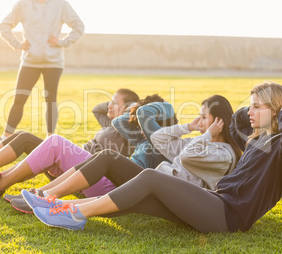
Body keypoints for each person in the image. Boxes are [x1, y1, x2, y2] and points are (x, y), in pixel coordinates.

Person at [21, 81, 282, 233]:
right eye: (251, 106)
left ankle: (75, 213)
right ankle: (58, 205)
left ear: (275, 110)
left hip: (229, 215)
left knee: (150, 177)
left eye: (257, 107)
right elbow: (237, 120)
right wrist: (262, 111)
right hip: (215, 204)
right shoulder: (257, 140)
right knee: (144, 196)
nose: (250, 112)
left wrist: (280, 110)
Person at [19, 94, 241, 224]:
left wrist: (205, 135)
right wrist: (188, 127)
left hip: (171, 198)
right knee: (107, 156)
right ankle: (48, 197)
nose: (199, 122)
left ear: (218, 122)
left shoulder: (223, 154)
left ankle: (62, 209)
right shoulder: (201, 140)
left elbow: (189, 155)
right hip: (156, 183)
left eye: (203, 118)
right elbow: (159, 139)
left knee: (121, 182)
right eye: (199, 118)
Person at [0, 89, 139, 198]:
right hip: (73, 166)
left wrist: (131, 111)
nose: (110, 105)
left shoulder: (128, 130)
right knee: (24, 136)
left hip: (91, 177)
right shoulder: (109, 124)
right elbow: (97, 109)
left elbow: (139, 134)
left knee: (55, 141)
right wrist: (114, 104)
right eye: (110, 101)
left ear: (128, 108)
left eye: (115, 102)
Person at [0, 0, 84, 141]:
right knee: (19, 99)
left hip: (54, 62)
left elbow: (79, 27)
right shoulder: (23, 4)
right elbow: (4, 26)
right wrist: (17, 44)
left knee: (51, 100)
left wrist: (62, 42)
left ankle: (49, 141)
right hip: (30, 60)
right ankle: (4, 138)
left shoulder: (61, 4)